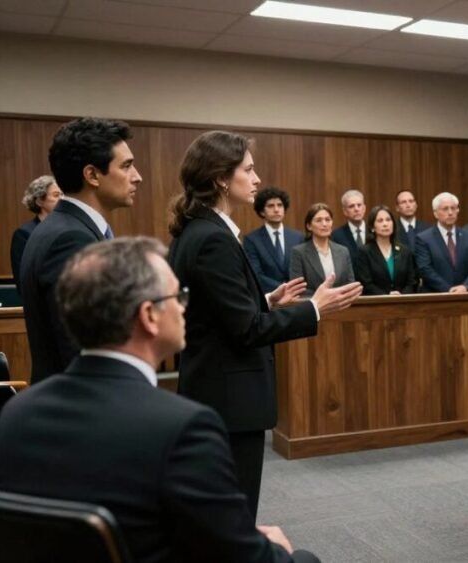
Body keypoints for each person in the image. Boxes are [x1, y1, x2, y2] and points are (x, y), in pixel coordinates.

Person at [0, 237, 321, 563]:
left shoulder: (15, 413)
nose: (185, 306)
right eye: (178, 296)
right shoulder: (183, 429)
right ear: (149, 315)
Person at [167, 131, 362, 519]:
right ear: (222, 178)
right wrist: (315, 308)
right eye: (249, 169)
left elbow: (219, 311)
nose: (257, 179)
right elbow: (247, 330)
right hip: (229, 398)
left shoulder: (200, 229)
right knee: (234, 513)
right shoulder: (213, 238)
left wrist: (267, 300)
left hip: (215, 390)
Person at [20, 118, 141, 383]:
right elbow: (83, 348)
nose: (137, 177)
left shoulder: (65, 228)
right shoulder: (71, 239)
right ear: (92, 175)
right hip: (80, 408)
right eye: (127, 166)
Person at [414, 192, 468, 293]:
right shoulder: (423, 239)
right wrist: (448, 289)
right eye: (445, 209)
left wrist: (465, 286)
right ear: (435, 213)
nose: (450, 212)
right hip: (436, 296)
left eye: (453, 208)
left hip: (465, 296)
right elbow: (425, 269)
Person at [243, 187, 303, 293]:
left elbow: (302, 270)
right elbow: (256, 274)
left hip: (298, 296)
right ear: (262, 212)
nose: (276, 210)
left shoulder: (298, 237)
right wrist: (284, 288)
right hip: (268, 297)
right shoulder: (251, 240)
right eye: (271, 206)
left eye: (280, 205)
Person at [289, 203, 356, 296]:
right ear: (309, 226)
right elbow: (298, 288)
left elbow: (350, 284)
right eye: (318, 220)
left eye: (327, 220)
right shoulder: (299, 252)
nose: (324, 224)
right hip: (313, 305)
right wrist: (325, 296)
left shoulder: (343, 251)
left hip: (341, 305)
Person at [10, 175, 62, 290]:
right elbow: (23, 279)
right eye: (56, 195)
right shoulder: (24, 234)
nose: (62, 199)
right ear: (39, 201)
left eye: (63, 195)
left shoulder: (67, 230)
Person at [354, 205, 418, 295]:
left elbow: (412, 281)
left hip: (403, 303)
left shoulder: (405, 251)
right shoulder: (365, 252)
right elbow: (366, 284)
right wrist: (387, 296)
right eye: (380, 221)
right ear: (372, 227)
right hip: (377, 304)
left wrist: (401, 296)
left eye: (388, 220)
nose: (385, 224)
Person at [329, 189, 367, 258]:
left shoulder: (374, 231)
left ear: (364, 208)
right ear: (345, 211)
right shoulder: (336, 236)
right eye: (351, 206)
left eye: (359, 205)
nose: (356, 209)